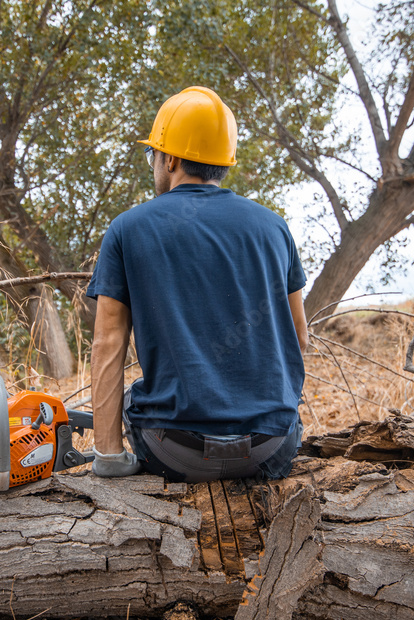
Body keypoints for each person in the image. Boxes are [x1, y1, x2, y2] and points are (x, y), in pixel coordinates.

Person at [86, 86, 308, 483]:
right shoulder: (274, 228)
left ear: (169, 158)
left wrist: (108, 457)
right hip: (270, 449)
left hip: (175, 454)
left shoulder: (127, 230)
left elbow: (107, 347)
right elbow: (299, 339)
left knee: (138, 395)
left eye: (153, 153)